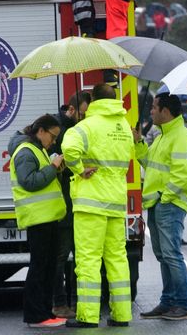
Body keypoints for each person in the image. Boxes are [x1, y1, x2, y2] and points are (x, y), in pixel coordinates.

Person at [60, 83, 136, 328]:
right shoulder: (124, 126)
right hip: (115, 202)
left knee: (89, 260)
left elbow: (69, 149)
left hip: (90, 204)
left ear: (92, 100)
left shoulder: (86, 126)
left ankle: (88, 316)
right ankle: (121, 314)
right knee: (117, 258)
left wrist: (80, 169)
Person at [136, 93, 187, 321]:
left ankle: (182, 304)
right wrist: (139, 142)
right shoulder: (164, 135)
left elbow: (183, 174)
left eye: (154, 107)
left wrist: (165, 196)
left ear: (165, 111)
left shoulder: (180, 136)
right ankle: (168, 302)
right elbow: (149, 163)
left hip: (168, 203)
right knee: (163, 255)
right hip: (158, 202)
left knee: (171, 255)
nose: (151, 111)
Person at [8, 114, 68, 328]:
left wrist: (54, 169)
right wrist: (52, 168)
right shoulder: (26, 151)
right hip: (38, 219)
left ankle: (45, 313)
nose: (53, 142)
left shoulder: (37, 149)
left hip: (47, 217)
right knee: (40, 268)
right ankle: (36, 316)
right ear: (40, 131)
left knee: (48, 268)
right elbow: (29, 182)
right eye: (52, 136)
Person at [52, 91, 91, 319]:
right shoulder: (59, 129)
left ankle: (78, 303)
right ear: (73, 110)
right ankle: (59, 302)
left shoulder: (80, 129)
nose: (85, 118)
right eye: (83, 113)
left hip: (81, 205)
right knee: (60, 258)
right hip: (65, 205)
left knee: (82, 258)